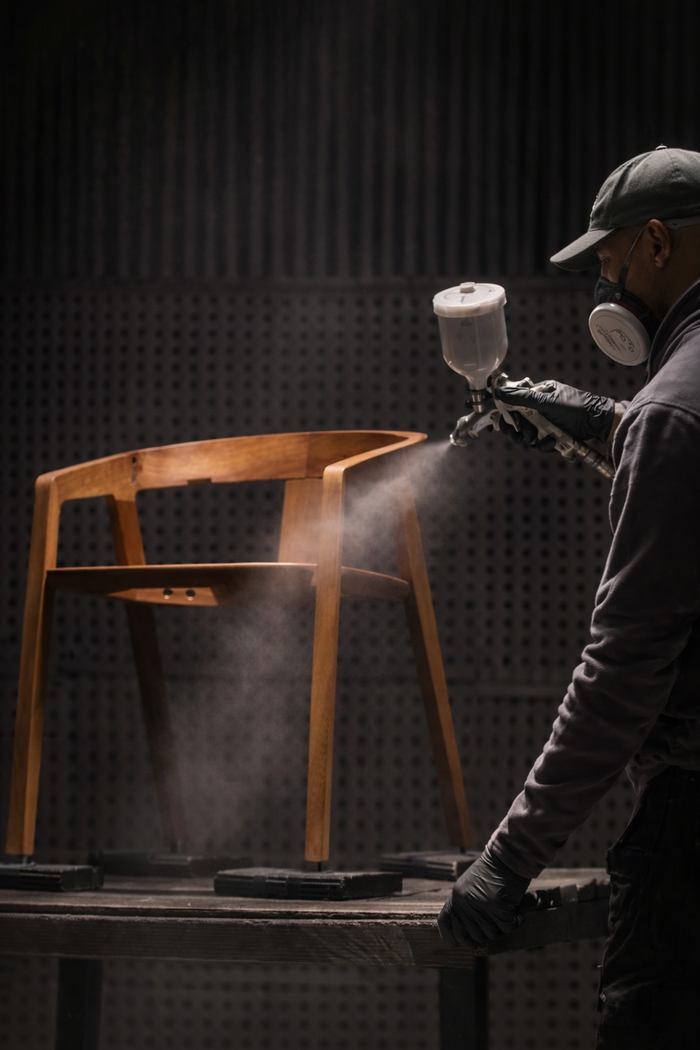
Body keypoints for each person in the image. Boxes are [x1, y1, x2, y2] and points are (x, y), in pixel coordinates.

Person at [437, 145, 700, 1049]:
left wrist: (507, 862)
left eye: (609, 259)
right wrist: (606, 421)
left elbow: (623, 673)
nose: (605, 280)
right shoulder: (666, 412)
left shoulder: (673, 411)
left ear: (658, 243)